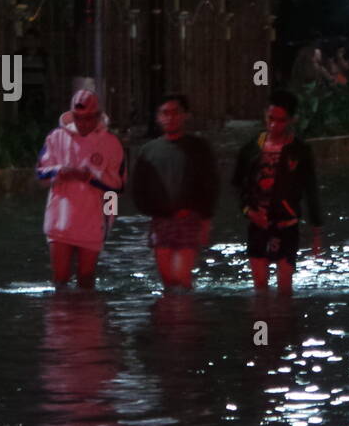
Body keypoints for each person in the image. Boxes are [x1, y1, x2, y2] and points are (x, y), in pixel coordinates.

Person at [232, 89, 323, 294]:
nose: (274, 125)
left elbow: (311, 190)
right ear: (265, 115)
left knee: (284, 291)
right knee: (260, 291)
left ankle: (283, 324)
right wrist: (249, 212)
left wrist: (316, 232)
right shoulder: (251, 149)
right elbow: (237, 185)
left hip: (287, 224)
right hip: (258, 223)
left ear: (291, 120)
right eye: (270, 119)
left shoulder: (300, 151)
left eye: (280, 121)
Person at [36, 89, 126, 289]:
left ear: (97, 115)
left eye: (87, 118)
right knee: (60, 281)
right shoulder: (55, 137)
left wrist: (109, 220)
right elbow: (41, 174)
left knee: (86, 282)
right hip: (60, 222)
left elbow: (117, 188)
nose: (83, 123)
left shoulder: (111, 144)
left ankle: (88, 318)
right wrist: (60, 171)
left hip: (93, 225)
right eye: (78, 118)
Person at [131, 94, 219, 290]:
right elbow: (139, 188)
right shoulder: (149, 150)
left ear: (185, 115)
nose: (170, 118)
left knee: (181, 276)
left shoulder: (199, 148)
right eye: (165, 113)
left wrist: (205, 220)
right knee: (168, 281)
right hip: (161, 220)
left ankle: (184, 317)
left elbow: (210, 184)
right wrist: (153, 211)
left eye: (175, 113)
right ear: (158, 117)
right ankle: (172, 318)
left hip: (190, 218)